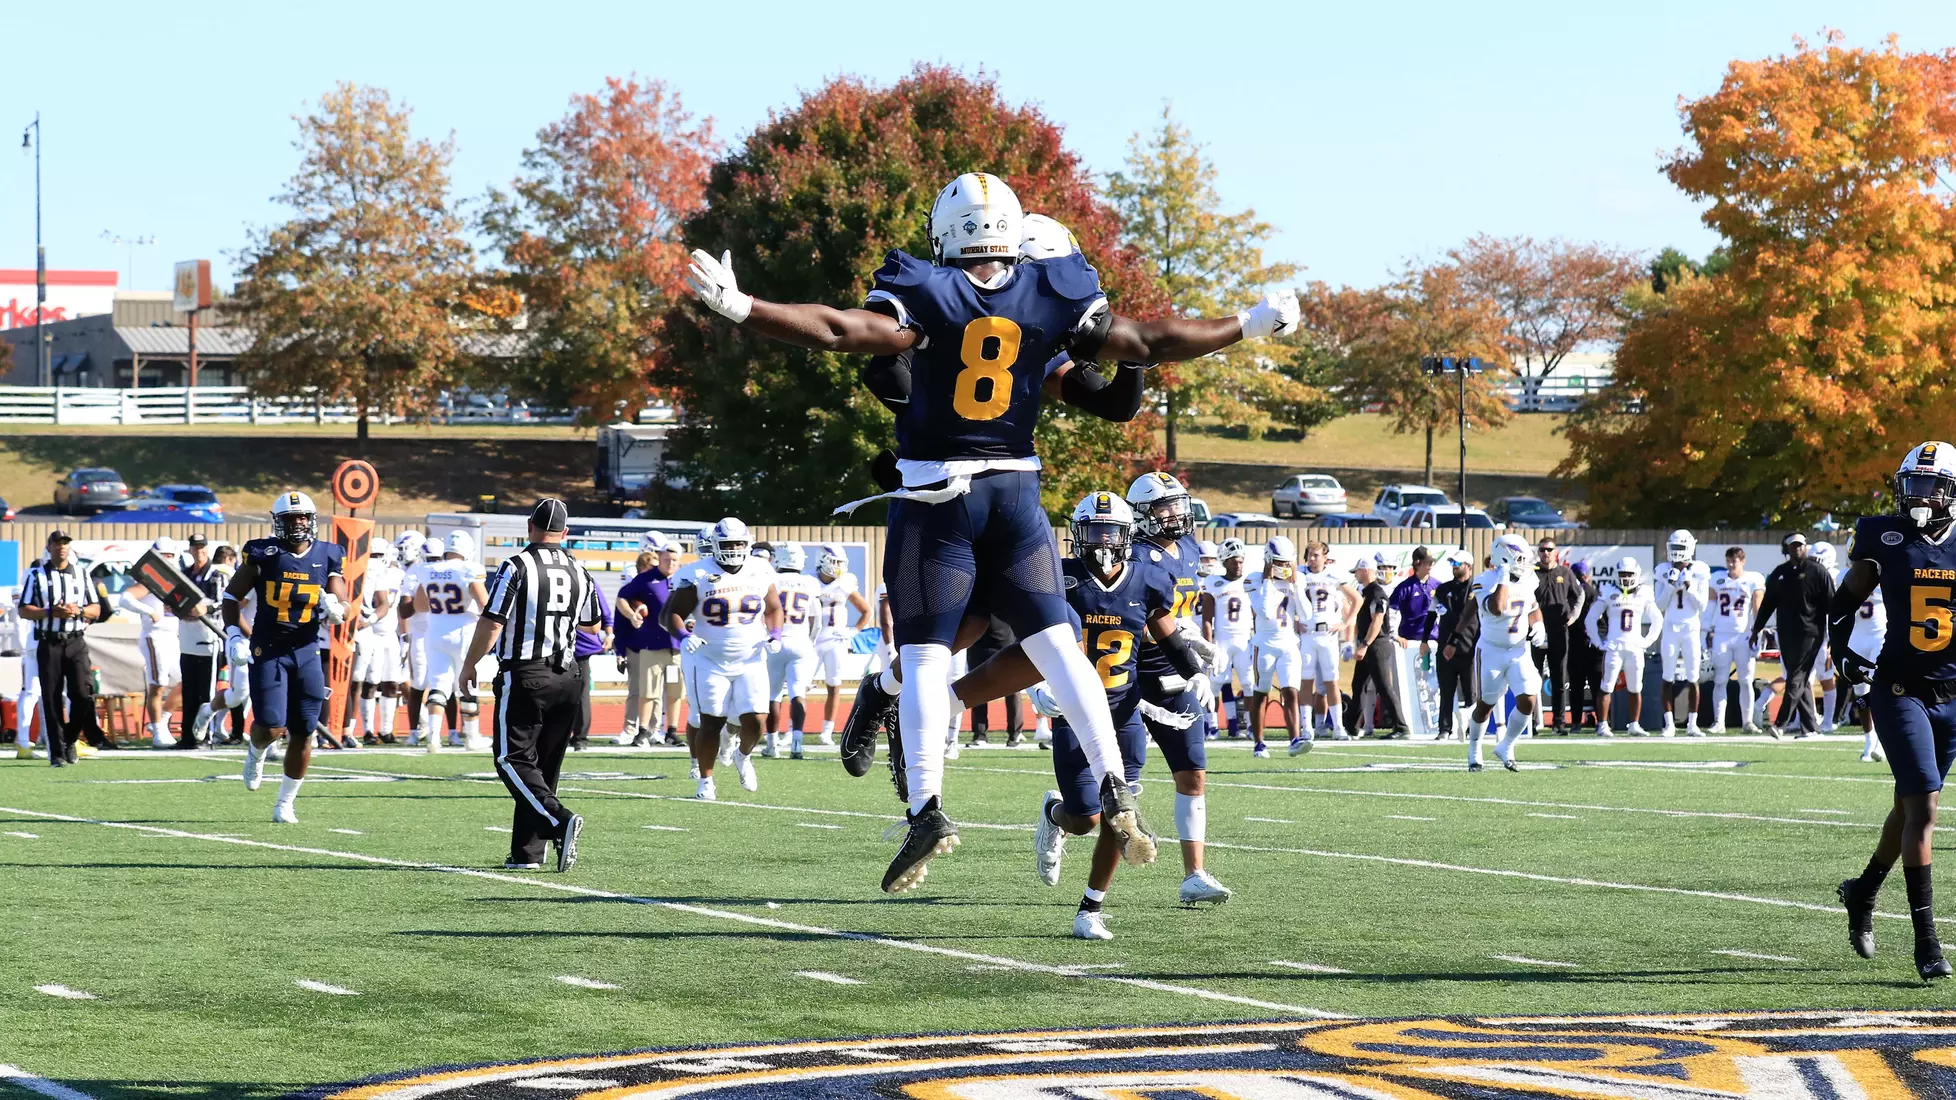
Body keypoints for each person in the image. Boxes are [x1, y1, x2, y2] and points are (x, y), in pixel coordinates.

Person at [688, 171, 1296, 892]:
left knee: (926, 657)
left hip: (939, 499)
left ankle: (926, 809)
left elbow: (841, 329)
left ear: (947, 234)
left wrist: (744, 307)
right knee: (1058, 645)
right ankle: (1113, 783)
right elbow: (1146, 337)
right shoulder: (1047, 293)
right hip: (1015, 493)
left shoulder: (932, 291)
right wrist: (1249, 322)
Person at [953, 492, 1199, 933]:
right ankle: (1055, 814)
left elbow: (1168, 636)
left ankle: (1090, 909)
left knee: (1121, 816)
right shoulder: (1059, 578)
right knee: (1085, 818)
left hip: (1123, 716)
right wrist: (1039, 686)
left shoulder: (1147, 578)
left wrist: (1195, 673)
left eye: (1111, 532)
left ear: (1127, 535)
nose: (1103, 540)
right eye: (1094, 531)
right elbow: (1029, 644)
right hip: (1073, 714)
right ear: (1078, 535)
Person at [1831, 441, 1956, 982]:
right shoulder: (1885, 536)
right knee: (1923, 806)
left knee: (1909, 808)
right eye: (1913, 484)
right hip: (1899, 689)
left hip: (1952, 694)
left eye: (1931, 486)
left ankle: (1863, 891)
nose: (1919, 496)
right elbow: (1844, 599)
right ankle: (1927, 943)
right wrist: (1840, 651)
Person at [462, 497, 603, 873]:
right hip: (569, 676)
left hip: (527, 673)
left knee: (511, 759)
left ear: (530, 526)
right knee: (543, 766)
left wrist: (470, 664)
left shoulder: (517, 565)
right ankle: (528, 853)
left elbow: (493, 621)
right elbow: (592, 624)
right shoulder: (578, 569)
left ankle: (559, 820)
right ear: (565, 532)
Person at [1124, 473, 1228, 905]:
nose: (1175, 514)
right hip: (1131, 675)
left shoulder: (1187, 548)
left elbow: (1181, 611)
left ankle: (1194, 876)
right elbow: (1134, 619)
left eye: (1177, 504)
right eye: (1163, 507)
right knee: (1118, 787)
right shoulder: (1133, 555)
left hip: (1174, 672)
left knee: (1193, 772)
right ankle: (1061, 811)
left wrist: (1193, 645)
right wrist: (1186, 639)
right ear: (1142, 514)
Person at [224, 492, 349, 822]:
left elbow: (343, 600)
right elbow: (231, 596)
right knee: (271, 725)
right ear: (278, 522)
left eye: (302, 517)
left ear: (312, 520)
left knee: (305, 729)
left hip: (307, 649)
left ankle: (285, 803)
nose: (297, 523)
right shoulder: (263, 553)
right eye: (291, 518)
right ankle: (256, 751)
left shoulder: (328, 554)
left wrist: (339, 609)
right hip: (269, 649)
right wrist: (234, 635)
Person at [663, 517, 783, 802]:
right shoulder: (697, 573)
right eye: (728, 544)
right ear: (715, 545)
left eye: (739, 543)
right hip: (709, 659)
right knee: (711, 721)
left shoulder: (760, 569)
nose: (733, 549)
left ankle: (743, 756)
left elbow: (774, 608)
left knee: (757, 719)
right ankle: (706, 780)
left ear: (747, 544)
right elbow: (673, 614)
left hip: (751, 657)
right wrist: (684, 636)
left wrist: (776, 634)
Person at [20, 530, 108, 766]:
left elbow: (96, 609)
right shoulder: (36, 575)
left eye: (65, 543)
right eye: (57, 543)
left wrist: (79, 610)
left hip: (76, 640)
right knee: (51, 698)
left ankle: (69, 738)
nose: (62, 547)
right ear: (49, 547)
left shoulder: (82, 574)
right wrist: (50, 612)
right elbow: (24, 609)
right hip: (49, 642)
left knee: (83, 694)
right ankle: (57, 753)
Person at [1465, 535, 1546, 772]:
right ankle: (1475, 748)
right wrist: (1503, 577)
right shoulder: (1485, 581)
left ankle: (1507, 745)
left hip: (1519, 650)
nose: (1524, 564)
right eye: (1519, 559)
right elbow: (1497, 608)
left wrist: (1538, 625)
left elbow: (1533, 608)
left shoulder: (1528, 579)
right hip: (1491, 650)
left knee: (1528, 698)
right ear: (1504, 558)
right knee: (1485, 705)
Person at [1753, 532, 1835, 738]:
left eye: (1800, 545)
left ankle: (1781, 723)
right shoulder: (1780, 573)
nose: (1797, 549)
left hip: (1811, 633)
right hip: (1786, 633)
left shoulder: (1818, 571)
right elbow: (1768, 604)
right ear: (1786, 549)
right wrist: (1756, 629)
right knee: (1800, 679)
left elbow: (1832, 605)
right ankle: (1811, 727)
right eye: (1793, 546)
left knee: (1796, 677)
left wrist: (1834, 636)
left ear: (1806, 547)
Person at [415, 532, 490, 752]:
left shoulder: (427, 570)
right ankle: (472, 737)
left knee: (438, 683)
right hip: (464, 631)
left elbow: (419, 606)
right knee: (467, 685)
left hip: (435, 632)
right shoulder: (468, 569)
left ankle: (433, 737)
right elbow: (484, 603)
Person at [117, 536, 186, 748]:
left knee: (187, 682)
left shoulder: (177, 580)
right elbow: (125, 598)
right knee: (158, 685)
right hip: (155, 636)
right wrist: (149, 611)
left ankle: (161, 722)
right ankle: (157, 730)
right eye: (163, 556)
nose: (166, 560)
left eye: (169, 556)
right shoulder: (149, 581)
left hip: (174, 637)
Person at [1588, 558, 1662, 737]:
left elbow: (1657, 619)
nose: (1626, 578)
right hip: (1614, 647)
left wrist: (1647, 641)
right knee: (1607, 686)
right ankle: (1603, 724)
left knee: (1635, 688)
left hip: (1635, 647)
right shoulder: (1609, 591)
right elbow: (1591, 618)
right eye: (1623, 574)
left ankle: (1634, 724)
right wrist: (1598, 641)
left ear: (1636, 575)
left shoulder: (1644, 592)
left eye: (1629, 574)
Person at [1295, 541, 1360, 743]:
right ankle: (1307, 728)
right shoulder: (1299, 574)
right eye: (1310, 555)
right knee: (1306, 682)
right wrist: (1294, 621)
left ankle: (1338, 727)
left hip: (1328, 635)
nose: (1312, 559)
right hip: (1307, 634)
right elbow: (1284, 598)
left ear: (1325, 557)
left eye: (1316, 555)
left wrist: (1345, 624)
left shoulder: (1333, 575)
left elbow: (1357, 599)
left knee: (1332, 682)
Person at [1246, 537, 1304, 758]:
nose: (1285, 566)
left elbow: (1306, 615)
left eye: (1288, 562)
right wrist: (1268, 581)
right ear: (1269, 560)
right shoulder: (1254, 579)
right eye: (1280, 562)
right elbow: (1265, 612)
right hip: (1264, 643)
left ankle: (1295, 739)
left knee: (1291, 691)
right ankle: (1259, 743)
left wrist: (1296, 587)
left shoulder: (1297, 579)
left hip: (1289, 642)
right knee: (1261, 691)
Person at [1653, 529, 1712, 737]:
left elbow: (1702, 605)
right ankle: (1669, 724)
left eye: (1680, 547)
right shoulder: (1663, 570)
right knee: (1667, 676)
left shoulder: (1700, 570)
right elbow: (1659, 605)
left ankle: (1692, 724)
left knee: (1693, 677)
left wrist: (1689, 586)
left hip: (1691, 629)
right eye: (1673, 547)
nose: (1676, 552)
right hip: (1670, 628)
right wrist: (1670, 586)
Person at [765, 543, 821, 758]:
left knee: (773, 694)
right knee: (798, 692)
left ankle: (772, 744)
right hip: (800, 642)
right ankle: (797, 742)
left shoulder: (770, 579)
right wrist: (809, 641)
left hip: (775, 641)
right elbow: (817, 621)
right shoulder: (810, 583)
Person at [812, 544, 871, 747]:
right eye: (834, 562)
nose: (837, 567)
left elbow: (866, 610)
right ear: (822, 561)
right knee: (800, 687)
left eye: (840, 562)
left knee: (834, 686)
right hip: (812, 641)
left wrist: (853, 631)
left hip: (836, 640)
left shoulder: (845, 582)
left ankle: (826, 731)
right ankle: (793, 730)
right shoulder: (809, 580)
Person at [613, 547, 672, 747]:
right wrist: (620, 650)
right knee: (637, 690)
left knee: (658, 691)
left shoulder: (663, 587)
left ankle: (654, 730)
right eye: (650, 566)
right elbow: (620, 623)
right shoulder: (634, 589)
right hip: (636, 646)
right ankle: (630, 729)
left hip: (658, 646)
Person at [350, 540, 404, 746]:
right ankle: (367, 730)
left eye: (379, 555)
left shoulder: (398, 574)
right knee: (369, 683)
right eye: (373, 555)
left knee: (392, 683)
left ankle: (386, 730)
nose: (376, 560)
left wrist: (405, 634)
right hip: (371, 632)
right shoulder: (363, 571)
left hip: (390, 634)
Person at [1347, 555, 1408, 738]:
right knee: (1358, 685)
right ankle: (1350, 726)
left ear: (1365, 571)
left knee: (1384, 686)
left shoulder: (1376, 593)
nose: (1356, 575)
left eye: (1358, 571)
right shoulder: (1366, 592)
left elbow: (1377, 620)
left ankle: (1401, 727)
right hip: (1369, 645)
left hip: (1377, 645)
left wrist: (1365, 644)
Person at [1707, 547, 1766, 734]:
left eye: (1735, 561)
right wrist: (1705, 631)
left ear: (1743, 561)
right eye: (1729, 561)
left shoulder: (1753, 579)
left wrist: (1758, 633)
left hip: (1743, 636)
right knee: (1720, 680)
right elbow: (1710, 607)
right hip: (1722, 635)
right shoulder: (1717, 579)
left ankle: (1747, 722)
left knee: (1746, 681)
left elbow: (1757, 609)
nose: (1731, 564)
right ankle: (1719, 722)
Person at [1200, 538, 1255, 740]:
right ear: (1225, 561)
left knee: (1249, 684)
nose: (1238, 565)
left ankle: (1251, 725)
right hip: (1222, 639)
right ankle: (1212, 725)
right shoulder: (1213, 583)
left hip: (1245, 639)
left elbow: (1258, 613)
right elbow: (1207, 619)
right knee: (1215, 684)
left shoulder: (1250, 582)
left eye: (1240, 561)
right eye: (1234, 561)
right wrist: (1208, 646)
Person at [177, 534, 226, 749]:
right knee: (188, 691)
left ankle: (205, 736)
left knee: (205, 692)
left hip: (208, 639)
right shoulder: (185, 574)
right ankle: (187, 735)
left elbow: (223, 601)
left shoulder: (216, 575)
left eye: (202, 547)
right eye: (195, 548)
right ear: (190, 550)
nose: (199, 552)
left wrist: (205, 609)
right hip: (187, 639)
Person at [1531, 539, 1584, 733]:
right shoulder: (1531, 573)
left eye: (1549, 549)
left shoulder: (1565, 573)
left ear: (1556, 552)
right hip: (1535, 631)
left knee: (1559, 678)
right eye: (1542, 550)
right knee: (1531, 678)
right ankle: (1530, 723)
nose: (1545, 553)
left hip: (1558, 632)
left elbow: (1579, 595)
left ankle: (1559, 723)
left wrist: (1573, 616)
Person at [1388, 547, 1441, 738]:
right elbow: (1392, 612)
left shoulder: (1437, 585)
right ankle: (1408, 722)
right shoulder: (1405, 587)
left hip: (1433, 641)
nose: (1430, 566)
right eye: (1427, 562)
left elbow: (1445, 612)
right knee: (1410, 683)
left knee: (1432, 682)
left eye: (1432, 562)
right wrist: (1395, 635)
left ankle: (1436, 721)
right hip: (1409, 642)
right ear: (1417, 563)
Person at [1435, 551, 1479, 741]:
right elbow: (1432, 614)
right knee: (1446, 691)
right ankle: (1445, 729)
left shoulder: (1477, 589)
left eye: (1457, 563)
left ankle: (1472, 729)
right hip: (1445, 648)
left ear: (1468, 566)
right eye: (1452, 563)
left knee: (1471, 693)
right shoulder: (1443, 589)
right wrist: (1425, 641)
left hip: (1469, 648)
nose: (1454, 566)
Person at [569, 583, 612, 751]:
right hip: (556, 645)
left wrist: (609, 633)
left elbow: (603, 610)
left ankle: (580, 737)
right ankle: (567, 736)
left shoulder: (586, 581)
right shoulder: (585, 580)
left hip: (578, 646)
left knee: (581, 693)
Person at [1567, 559, 1604, 729]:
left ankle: (1576, 721)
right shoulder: (1596, 594)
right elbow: (1603, 622)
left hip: (1575, 644)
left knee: (1576, 686)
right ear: (1587, 576)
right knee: (1597, 686)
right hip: (1592, 644)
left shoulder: (1571, 594)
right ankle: (1602, 720)